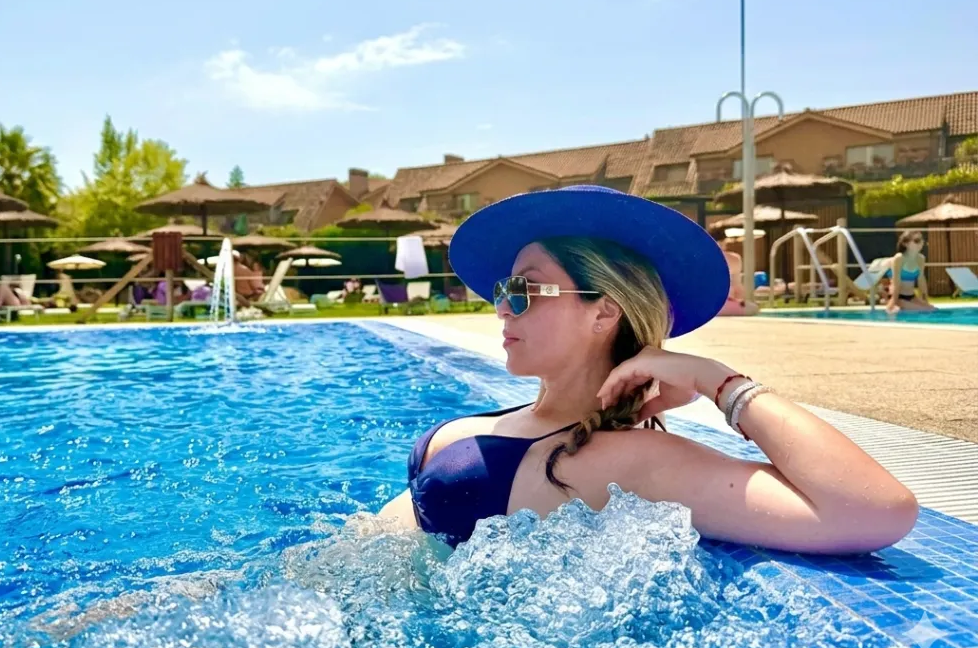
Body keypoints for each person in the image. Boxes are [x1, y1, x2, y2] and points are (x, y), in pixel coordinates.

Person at [378, 186, 918, 554]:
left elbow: (877, 511)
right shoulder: (524, 419)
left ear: (604, 311)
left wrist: (716, 381)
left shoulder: (634, 460)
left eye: (523, 289)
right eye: (503, 290)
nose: (501, 307)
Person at [886, 230, 935, 313]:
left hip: (911, 296)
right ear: (906, 244)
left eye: (921, 240)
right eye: (916, 241)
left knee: (932, 309)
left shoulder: (920, 259)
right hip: (898, 297)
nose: (921, 243)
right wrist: (893, 302)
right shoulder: (899, 258)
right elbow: (896, 282)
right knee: (925, 310)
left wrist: (925, 301)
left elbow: (921, 281)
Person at [715, 240, 759, 316]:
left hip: (702, 306)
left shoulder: (698, 257)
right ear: (724, 243)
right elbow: (738, 288)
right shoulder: (734, 259)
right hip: (724, 305)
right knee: (753, 308)